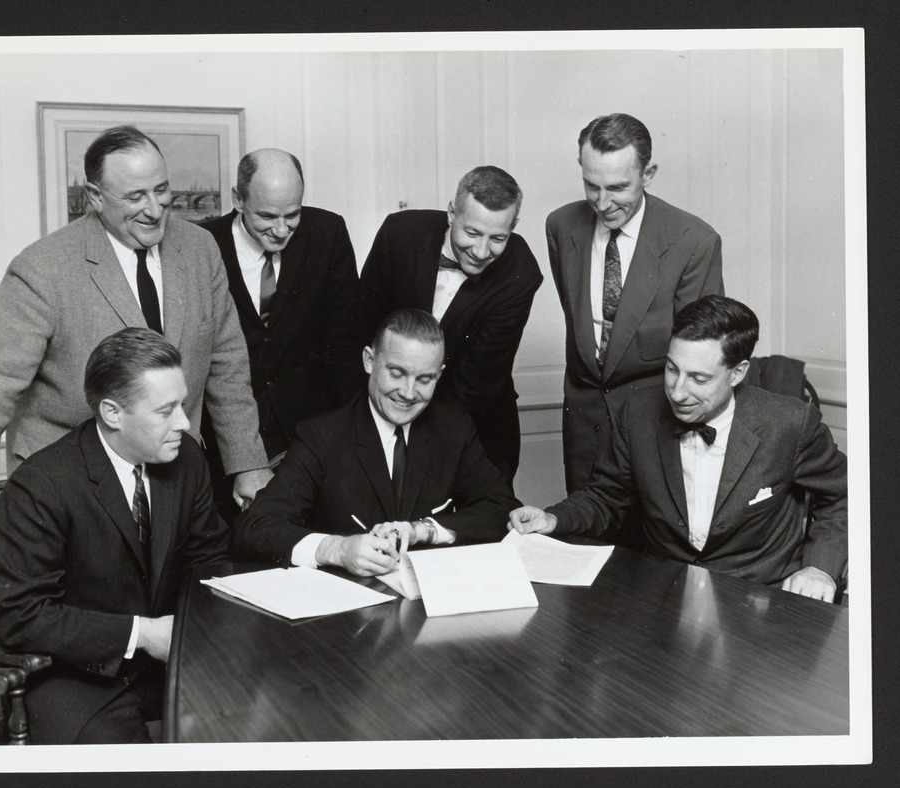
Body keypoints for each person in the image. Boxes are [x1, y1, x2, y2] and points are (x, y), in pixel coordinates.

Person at [0, 125, 272, 517]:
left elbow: (227, 364)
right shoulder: (41, 269)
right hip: (69, 490)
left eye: (161, 189)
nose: (154, 208)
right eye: (135, 196)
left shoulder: (200, 249)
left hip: (175, 481)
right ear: (95, 198)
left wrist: (247, 462)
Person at [510, 296, 847, 602]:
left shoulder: (789, 422)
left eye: (699, 379)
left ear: (737, 373)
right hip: (662, 598)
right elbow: (607, 496)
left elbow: (844, 495)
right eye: (672, 369)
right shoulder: (638, 412)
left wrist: (820, 568)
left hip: (758, 600)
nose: (678, 392)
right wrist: (553, 518)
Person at [0, 329, 231, 744]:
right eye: (165, 410)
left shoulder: (186, 457)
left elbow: (208, 559)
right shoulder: (41, 485)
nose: (185, 423)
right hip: (76, 677)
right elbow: (18, 616)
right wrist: (144, 635)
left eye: (183, 404)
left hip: (175, 662)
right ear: (112, 413)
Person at [234, 309, 520, 576]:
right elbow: (255, 527)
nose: (408, 393)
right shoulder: (321, 436)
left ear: (440, 375)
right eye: (396, 373)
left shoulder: (453, 428)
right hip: (345, 611)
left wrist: (423, 530)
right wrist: (336, 549)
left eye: (425, 379)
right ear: (369, 361)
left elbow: (500, 508)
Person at [547, 113, 724, 493]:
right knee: (582, 540)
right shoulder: (561, 227)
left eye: (618, 187)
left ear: (648, 174)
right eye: (591, 186)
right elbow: (578, 320)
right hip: (583, 428)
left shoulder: (694, 242)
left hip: (657, 426)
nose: (602, 203)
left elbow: (700, 355)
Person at [199, 148, 366, 521]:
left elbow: (344, 343)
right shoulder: (201, 244)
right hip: (226, 441)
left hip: (311, 436)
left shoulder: (327, 233)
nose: (280, 229)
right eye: (267, 216)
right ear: (238, 199)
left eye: (293, 215)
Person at [360, 166, 543, 487]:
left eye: (498, 238)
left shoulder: (521, 270)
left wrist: (420, 449)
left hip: (475, 426)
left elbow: (478, 381)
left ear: (513, 227)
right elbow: (362, 329)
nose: (482, 251)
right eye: (471, 233)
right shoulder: (399, 233)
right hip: (383, 415)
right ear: (451, 213)